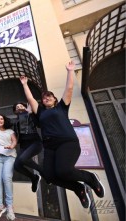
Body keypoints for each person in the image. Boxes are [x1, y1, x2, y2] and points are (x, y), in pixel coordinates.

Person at [19, 61, 105, 209]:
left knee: (64, 171)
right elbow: (31, 99)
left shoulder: (61, 108)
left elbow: (69, 88)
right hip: (50, 146)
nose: (46, 98)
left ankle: (90, 178)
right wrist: (24, 84)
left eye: (49, 96)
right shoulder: (40, 112)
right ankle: (78, 188)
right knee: (50, 177)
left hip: (67, 142)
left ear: (55, 99)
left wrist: (70, 71)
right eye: (44, 97)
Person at [13, 102, 43, 192]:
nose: (19, 107)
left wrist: (30, 112)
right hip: (24, 146)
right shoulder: (16, 122)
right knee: (17, 165)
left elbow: (39, 124)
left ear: (25, 107)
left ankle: (43, 171)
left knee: (22, 159)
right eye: (17, 107)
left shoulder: (31, 115)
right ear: (15, 111)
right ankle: (34, 178)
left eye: (21, 105)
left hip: (35, 143)